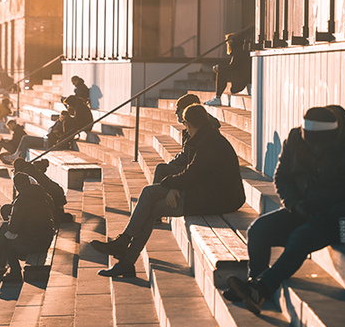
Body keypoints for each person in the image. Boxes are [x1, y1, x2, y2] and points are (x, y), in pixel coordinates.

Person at [226, 105, 345, 315]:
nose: (316, 150)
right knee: (258, 229)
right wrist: (295, 204)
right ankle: (254, 283)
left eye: (320, 146)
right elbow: (282, 177)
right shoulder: (296, 140)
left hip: (341, 222)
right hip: (302, 209)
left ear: (333, 136)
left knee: (301, 237)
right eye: (311, 144)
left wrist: (330, 213)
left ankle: (262, 288)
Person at [94, 102, 246, 278]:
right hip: (210, 191)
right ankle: (126, 259)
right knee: (151, 205)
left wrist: (172, 185)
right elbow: (193, 172)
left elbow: (192, 174)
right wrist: (174, 186)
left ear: (190, 124)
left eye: (186, 125)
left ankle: (125, 246)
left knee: (150, 195)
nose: (186, 130)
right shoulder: (205, 137)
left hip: (221, 198)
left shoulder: (208, 143)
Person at [0, 172, 55, 284]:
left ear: (17, 186)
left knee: (5, 234)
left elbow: (13, 228)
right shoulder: (42, 195)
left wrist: (12, 220)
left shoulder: (22, 201)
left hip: (34, 243)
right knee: (5, 237)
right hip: (45, 240)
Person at [153, 93, 220, 183]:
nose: (175, 112)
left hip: (198, 172)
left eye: (178, 109)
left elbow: (187, 158)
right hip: (193, 168)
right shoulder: (197, 126)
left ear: (186, 110)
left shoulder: (201, 129)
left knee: (161, 170)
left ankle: (158, 193)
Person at [13, 157, 73, 227]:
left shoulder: (25, 175)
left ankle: (57, 216)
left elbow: (24, 193)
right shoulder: (33, 168)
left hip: (53, 195)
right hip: (57, 192)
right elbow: (43, 165)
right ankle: (59, 215)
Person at [206, 27, 253, 106]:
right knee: (220, 70)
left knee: (221, 72)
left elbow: (232, 67)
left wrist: (219, 68)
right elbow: (233, 66)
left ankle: (217, 97)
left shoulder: (238, 52)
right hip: (243, 78)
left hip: (242, 80)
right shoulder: (239, 51)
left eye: (229, 42)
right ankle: (217, 97)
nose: (228, 44)